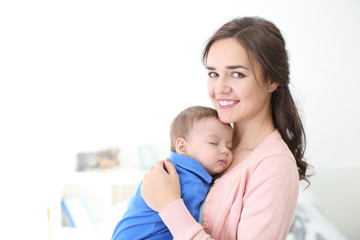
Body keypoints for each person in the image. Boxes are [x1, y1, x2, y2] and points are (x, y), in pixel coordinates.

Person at [141, 16, 311, 240]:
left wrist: (169, 205)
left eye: (237, 74)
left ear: (272, 80)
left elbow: (172, 209)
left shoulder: (274, 165)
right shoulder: (209, 145)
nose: (219, 88)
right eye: (213, 74)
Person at [111, 106, 233, 240]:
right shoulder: (190, 181)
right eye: (213, 143)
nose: (225, 150)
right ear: (182, 147)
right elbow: (187, 228)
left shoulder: (171, 170)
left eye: (229, 146)